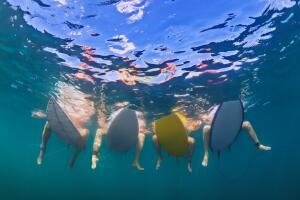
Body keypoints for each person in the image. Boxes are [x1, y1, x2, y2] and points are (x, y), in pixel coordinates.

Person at [37, 83, 95, 168]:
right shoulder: (71, 98)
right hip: (66, 125)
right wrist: (44, 114)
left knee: (86, 132)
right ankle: (42, 149)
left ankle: (73, 158)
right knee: (48, 123)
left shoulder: (90, 104)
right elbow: (58, 111)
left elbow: (87, 118)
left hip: (76, 130)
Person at [201, 105, 272, 167]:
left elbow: (241, 115)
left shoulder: (233, 106)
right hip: (218, 129)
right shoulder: (211, 111)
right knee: (205, 129)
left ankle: (258, 145)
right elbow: (205, 120)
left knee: (247, 124)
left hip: (230, 127)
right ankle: (206, 154)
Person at [91, 99, 149, 171]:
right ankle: (94, 155)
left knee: (141, 135)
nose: (121, 105)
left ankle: (136, 160)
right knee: (99, 131)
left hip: (128, 131)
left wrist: (143, 130)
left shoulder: (138, 114)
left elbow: (143, 128)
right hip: (114, 129)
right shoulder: (114, 112)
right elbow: (103, 122)